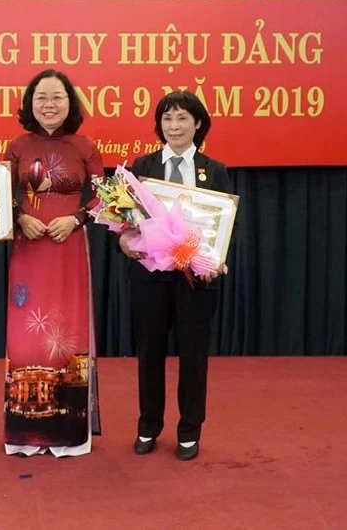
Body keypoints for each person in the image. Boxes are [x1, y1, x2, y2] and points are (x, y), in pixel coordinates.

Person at [120, 90, 231, 461]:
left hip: (195, 279)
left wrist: (217, 260)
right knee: (150, 352)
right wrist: (125, 241)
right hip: (150, 276)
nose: (174, 126)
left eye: (182, 118)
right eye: (167, 118)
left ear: (198, 123)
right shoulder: (143, 166)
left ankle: (189, 430)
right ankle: (148, 426)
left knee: (194, 354)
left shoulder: (215, 170)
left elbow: (224, 225)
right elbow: (127, 220)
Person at [3, 69, 104, 457]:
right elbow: (2, 193)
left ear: (70, 102)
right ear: (30, 104)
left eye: (57, 97)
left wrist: (75, 219)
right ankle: (24, 433)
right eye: (41, 98)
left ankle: (68, 433)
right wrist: (19, 217)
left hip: (69, 248)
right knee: (25, 336)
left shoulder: (85, 145)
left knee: (68, 329)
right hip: (28, 251)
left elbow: (103, 197)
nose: (49, 105)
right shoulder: (17, 145)